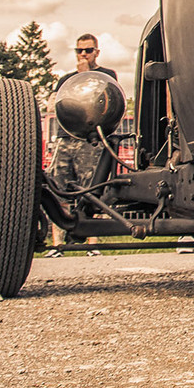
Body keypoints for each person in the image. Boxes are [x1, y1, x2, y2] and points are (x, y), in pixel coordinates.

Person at [46, 34, 117, 250]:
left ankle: (92, 243)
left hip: (91, 140)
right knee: (59, 189)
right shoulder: (66, 79)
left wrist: (86, 75)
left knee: (91, 189)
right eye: (79, 51)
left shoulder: (106, 76)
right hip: (66, 139)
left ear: (97, 52)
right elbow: (52, 105)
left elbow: (108, 102)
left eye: (88, 50)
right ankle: (59, 245)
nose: (83, 54)